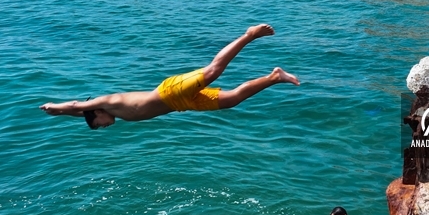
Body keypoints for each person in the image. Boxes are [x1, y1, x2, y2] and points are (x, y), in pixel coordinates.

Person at [40, 25, 299, 128]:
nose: (104, 127)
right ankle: (274, 77)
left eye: (99, 125)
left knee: (213, 71)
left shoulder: (107, 102)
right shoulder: (110, 112)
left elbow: (77, 106)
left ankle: (250, 34)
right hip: (180, 104)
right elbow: (78, 112)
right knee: (232, 100)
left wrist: (56, 106)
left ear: (97, 113)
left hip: (170, 92)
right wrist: (60, 114)